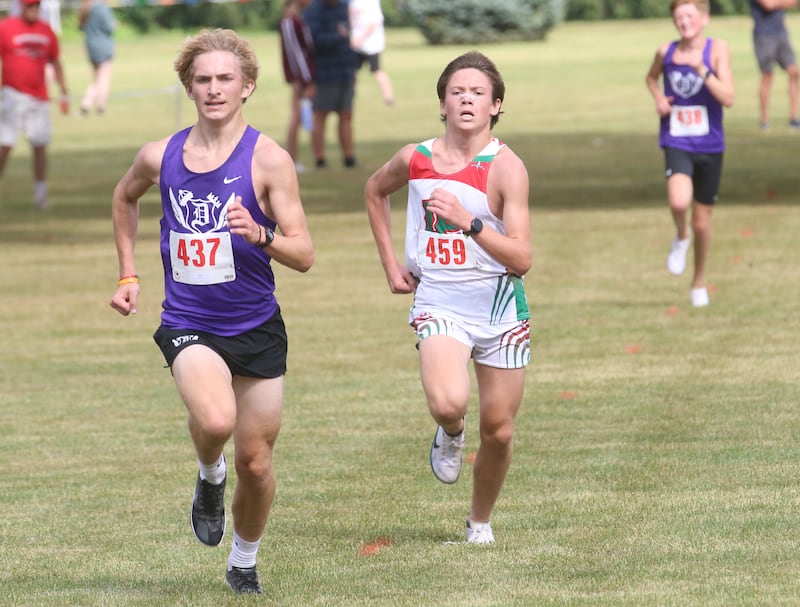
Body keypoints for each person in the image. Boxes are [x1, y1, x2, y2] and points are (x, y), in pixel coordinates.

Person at [108, 28, 314, 595]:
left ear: (247, 86)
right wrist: (129, 274)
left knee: (257, 462)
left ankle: (243, 560)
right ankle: (207, 474)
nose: (214, 89)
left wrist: (261, 233)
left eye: (226, 78)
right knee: (218, 421)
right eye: (203, 79)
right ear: (189, 87)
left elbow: (305, 253)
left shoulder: (270, 160)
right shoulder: (161, 154)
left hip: (255, 324)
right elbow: (125, 197)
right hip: (188, 321)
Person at [365, 51, 532, 544]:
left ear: (495, 105)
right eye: (456, 91)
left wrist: (470, 222)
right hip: (439, 297)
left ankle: (479, 519)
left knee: (499, 430)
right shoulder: (415, 159)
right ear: (442, 103)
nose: (466, 99)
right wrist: (392, 263)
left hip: (500, 305)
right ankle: (451, 432)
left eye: (477, 93)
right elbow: (375, 191)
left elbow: (521, 259)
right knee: (447, 401)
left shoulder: (506, 168)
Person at [645, 0, 735, 308]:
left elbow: (729, 97)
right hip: (677, 139)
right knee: (678, 201)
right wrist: (659, 99)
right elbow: (651, 78)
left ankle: (699, 282)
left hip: (710, 145)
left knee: (703, 222)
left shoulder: (717, 49)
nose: (684, 22)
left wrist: (701, 68)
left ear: (704, 18)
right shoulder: (665, 52)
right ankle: (680, 235)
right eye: (678, 17)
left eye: (690, 16)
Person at [0, 0, 69, 210]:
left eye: (37, 6)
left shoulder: (46, 31)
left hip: (39, 96)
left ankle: (40, 191)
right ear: (22, 7)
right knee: (5, 144)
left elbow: (55, 61)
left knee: (39, 145)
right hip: (13, 95)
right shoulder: (6, 28)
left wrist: (63, 90)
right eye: (30, 6)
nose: (34, 9)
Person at [304, 0, 358, 168]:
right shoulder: (313, 10)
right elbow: (312, 41)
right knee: (321, 114)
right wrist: (338, 36)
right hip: (324, 73)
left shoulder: (344, 8)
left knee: (346, 114)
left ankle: (349, 156)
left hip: (345, 71)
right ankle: (320, 158)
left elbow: (351, 35)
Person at [749, 0, 799, 129]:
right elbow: (768, 4)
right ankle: (764, 120)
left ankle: (794, 118)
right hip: (763, 35)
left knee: (794, 71)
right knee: (767, 75)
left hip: (781, 33)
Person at [279, 0, 315, 172]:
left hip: (302, 77)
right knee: (296, 118)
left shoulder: (297, 19)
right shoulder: (289, 22)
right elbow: (295, 55)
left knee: (300, 118)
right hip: (299, 80)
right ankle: (291, 160)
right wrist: (304, 81)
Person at [349, 0, 394, 105]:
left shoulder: (371, 2)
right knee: (352, 71)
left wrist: (360, 38)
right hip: (356, 45)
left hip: (371, 45)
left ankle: (389, 97)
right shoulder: (352, 2)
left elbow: (375, 23)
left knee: (376, 70)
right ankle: (350, 95)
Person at [78, 0, 116, 116]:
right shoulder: (101, 8)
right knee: (103, 78)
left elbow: (81, 27)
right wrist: (115, 24)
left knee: (97, 78)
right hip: (103, 46)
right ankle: (100, 106)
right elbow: (109, 27)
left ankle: (86, 104)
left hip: (90, 47)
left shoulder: (85, 8)